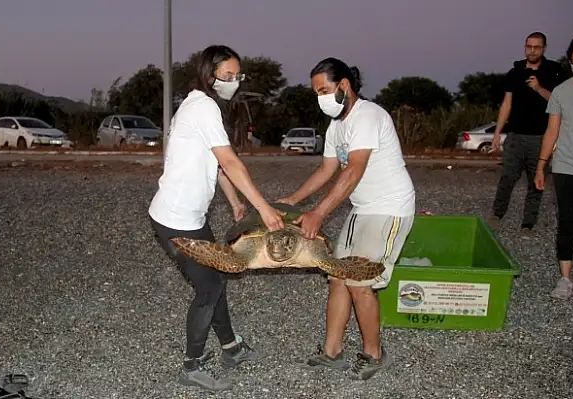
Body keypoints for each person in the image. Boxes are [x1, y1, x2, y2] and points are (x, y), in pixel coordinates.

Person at [148, 44, 285, 391]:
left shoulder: (196, 104)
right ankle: (191, 366)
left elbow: (216, 163)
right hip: (175, 220)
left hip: (190, 217)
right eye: (227, 75)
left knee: (218, 276)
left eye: (237, 76)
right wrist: (264, 208)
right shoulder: (204, 107)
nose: (233, 82)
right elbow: (232, 162)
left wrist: (235, 201)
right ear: (210, 75)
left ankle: (231, 348)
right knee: (209, 287)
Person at [277, 58, 415, 380]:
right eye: (316, 93)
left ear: (344, 86)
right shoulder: (336, 125)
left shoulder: (367, 115)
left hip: (389, 207)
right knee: (337, 276)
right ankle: (332, 352)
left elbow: (353, 169)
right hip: (362, 207)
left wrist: (318, 213)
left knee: (359, 282)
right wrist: (294, 200)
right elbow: (327, 169)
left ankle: (374, 354)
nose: (320, 97)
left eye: (324, 90)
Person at [488, 31, 571, 236]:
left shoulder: (555, 71)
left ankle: (527, 224)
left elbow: (560, 102)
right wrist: (498, 132)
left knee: (537, 182)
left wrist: (539, 88)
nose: (531, 51)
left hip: (541, 137)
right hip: (515, 135)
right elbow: (506, 103)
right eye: (528, 47)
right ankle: (497, 214)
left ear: (543, 48)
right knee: (507, 176)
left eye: (536, 47)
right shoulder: (514, 72)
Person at [534, 35, 573, 300]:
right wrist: (541, 166)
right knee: (567, 222)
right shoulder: (561, 92)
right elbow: (552, 130)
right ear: (570, 61)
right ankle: (565, 278)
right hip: (566, 166)